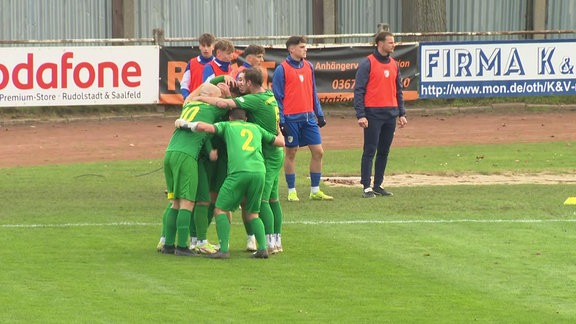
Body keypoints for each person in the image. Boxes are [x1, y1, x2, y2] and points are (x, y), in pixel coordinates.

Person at [194, 67, 285, 254]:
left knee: (263, 202)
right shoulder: (269, 96)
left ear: (250, 83)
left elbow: (222, 107)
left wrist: (201, 98)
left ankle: (268, 244)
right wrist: (280, 134)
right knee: (273, 199)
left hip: (264, 156)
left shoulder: (252, 102)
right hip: (272, 152)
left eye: (243, 81)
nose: (240, 83)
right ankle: (275, 240)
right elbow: (279, 137)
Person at [175, 108, 285, 259]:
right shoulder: (256, 128)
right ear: (246, 118)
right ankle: (263, 248)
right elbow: (280, 143)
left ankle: (224, 250)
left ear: (230, 118)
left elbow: (204, 127)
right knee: (253, 213)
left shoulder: (227, 126)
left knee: (220, 209)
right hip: (260, 172)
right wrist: (279, 129)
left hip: (239, 172)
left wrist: (184, 124)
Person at [160, 83, 228, 256]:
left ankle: (168, 244)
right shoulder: (211, 109)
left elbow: (193, 95)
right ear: (211, 97)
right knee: (187, 202)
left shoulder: (189, 105)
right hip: (187, 156)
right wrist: (226, 96)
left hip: (170, 153)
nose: (219, 99)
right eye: (217, 96)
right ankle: (182, 246)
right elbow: (230, 107)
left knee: (174, 201)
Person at [272, 35, 333, 202]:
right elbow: (278, 96)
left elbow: (312, 91)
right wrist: (281, 120)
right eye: (302, 47)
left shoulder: (308, 66)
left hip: (309, 118)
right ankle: (292, 191)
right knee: (291, 152)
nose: (305, 49)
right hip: (291, 119)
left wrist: (318, 113)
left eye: (305, 46)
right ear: (291, 49)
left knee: (318, 152)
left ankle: (315, 190)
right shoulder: (281, 69)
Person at [353, 31, 408, 199]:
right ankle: (366, 186)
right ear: (380, 44)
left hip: (390, 114)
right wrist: (361, 114)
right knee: (370, 150)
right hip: (373, 114)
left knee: (384, 151)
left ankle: (378, 185)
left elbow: (398, 90)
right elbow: (359, 90)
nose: (393, 45)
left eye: (393, 42)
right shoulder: (367, 63)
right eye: (390, 42)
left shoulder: (394, 64)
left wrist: (401, 113)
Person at [180, 33, 216, 100]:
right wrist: (187, 98)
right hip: (193, 102)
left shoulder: (217, 64)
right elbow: (184, 84)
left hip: (212, 104)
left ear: (213, 47)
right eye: (203, 45)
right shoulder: (192, 63)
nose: (206, 49)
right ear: (199, 46)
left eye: (208, 46)